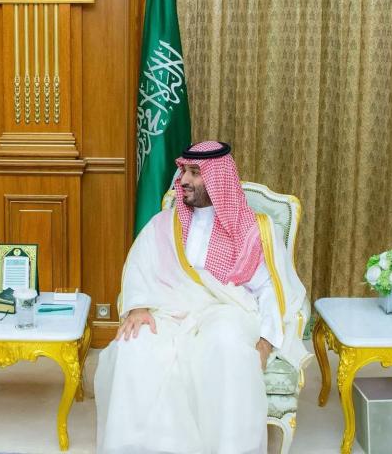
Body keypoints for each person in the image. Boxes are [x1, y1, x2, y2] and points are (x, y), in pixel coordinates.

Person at [94, 141, 307, 454]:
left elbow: (272, 291)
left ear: (218, 178)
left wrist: (265, 342)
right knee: (133, 344)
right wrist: (138, 307)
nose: (183, 180)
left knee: (224, 344)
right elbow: (139, 265)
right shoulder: (165, 224)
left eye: (195, 173)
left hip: (228, 312)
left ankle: (227, 448)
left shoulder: (254, 230)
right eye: (184, 171)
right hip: (171, 312)